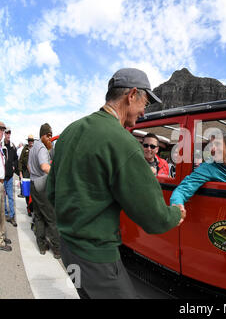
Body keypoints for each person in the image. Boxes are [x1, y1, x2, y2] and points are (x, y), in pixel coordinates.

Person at [47, 68, 185, 299]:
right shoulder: (123, 142)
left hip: (68, 250)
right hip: (97, 259)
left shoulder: (70, 131)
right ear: (131, 95)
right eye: (146, 102)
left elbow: (52, 191)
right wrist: (175, 214)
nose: (144, 111)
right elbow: (154, 218)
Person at [170, 133, 226, 208]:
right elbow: (183, 189)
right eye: (210, 146)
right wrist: (177, 204)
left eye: (217, 144)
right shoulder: (207, 168)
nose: (212, 149)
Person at [28, 123, 61, 257]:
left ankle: (41, 246)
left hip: (33, 184)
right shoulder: (41, 148)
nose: (50, 139)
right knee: (51, 218)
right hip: (41, 186)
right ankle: (57, 249)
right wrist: (56, 173)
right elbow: (44, 167)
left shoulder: (34, 147)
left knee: (38, 216)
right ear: (44, 135)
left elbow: (29, 168)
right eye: (49, 136)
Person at [0, 121, 12, 252]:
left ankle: (2, 235)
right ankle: (0, 241)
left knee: (2, 213)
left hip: (2, 182)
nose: (2, 133)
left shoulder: (0, 146)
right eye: (1, 130)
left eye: (3, 130)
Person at [3, 127, 18, 227]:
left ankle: (12, 216)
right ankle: (5, 215)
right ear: (4, 134)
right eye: (7, 133)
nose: (8, 135)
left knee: (11, 198)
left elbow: (16, 159)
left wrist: (14, 166)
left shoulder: (13, 146)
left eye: (9, 133)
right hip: (2, 177)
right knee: (3, 198)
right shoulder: (1, 146)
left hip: (10, 177)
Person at [19, 135, 34, 214]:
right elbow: (20, 160)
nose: (30, 142)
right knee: (27, 192)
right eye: (29, 140)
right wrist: (20, 172)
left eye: (32, 140)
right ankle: (28, 207)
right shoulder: (25, 149)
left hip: (34, 173)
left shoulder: (35, 149)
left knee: (33, 191)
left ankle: (32, 207)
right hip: (26, 173)